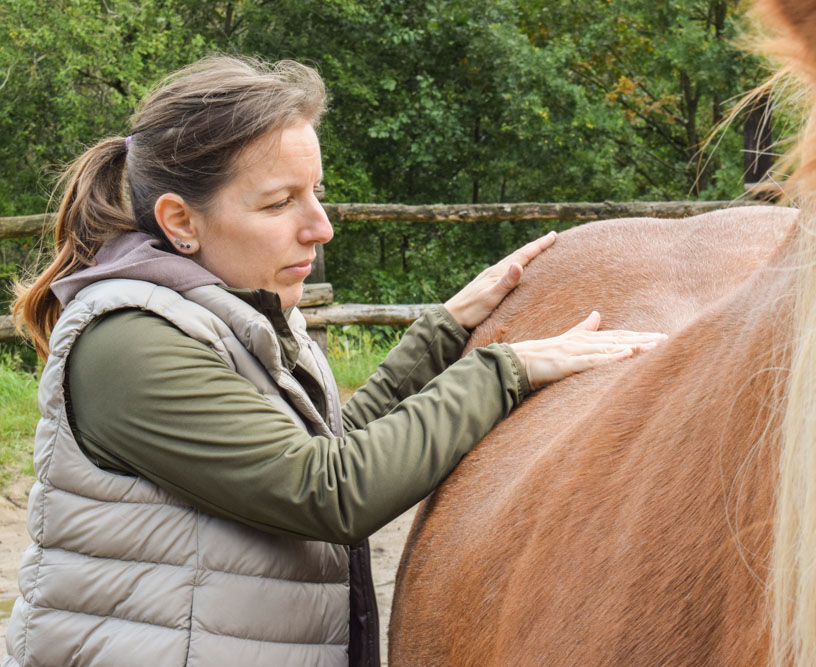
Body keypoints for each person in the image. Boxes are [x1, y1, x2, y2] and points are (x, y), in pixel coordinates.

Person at [5, 56, 666, 667]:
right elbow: (330, 490)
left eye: (315, 191)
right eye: (279, 202)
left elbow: (326, 446)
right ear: (182, 220)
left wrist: (443, 331)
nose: (320, 227)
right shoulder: (130, 343)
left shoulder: (234, 310)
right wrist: (502, 369)